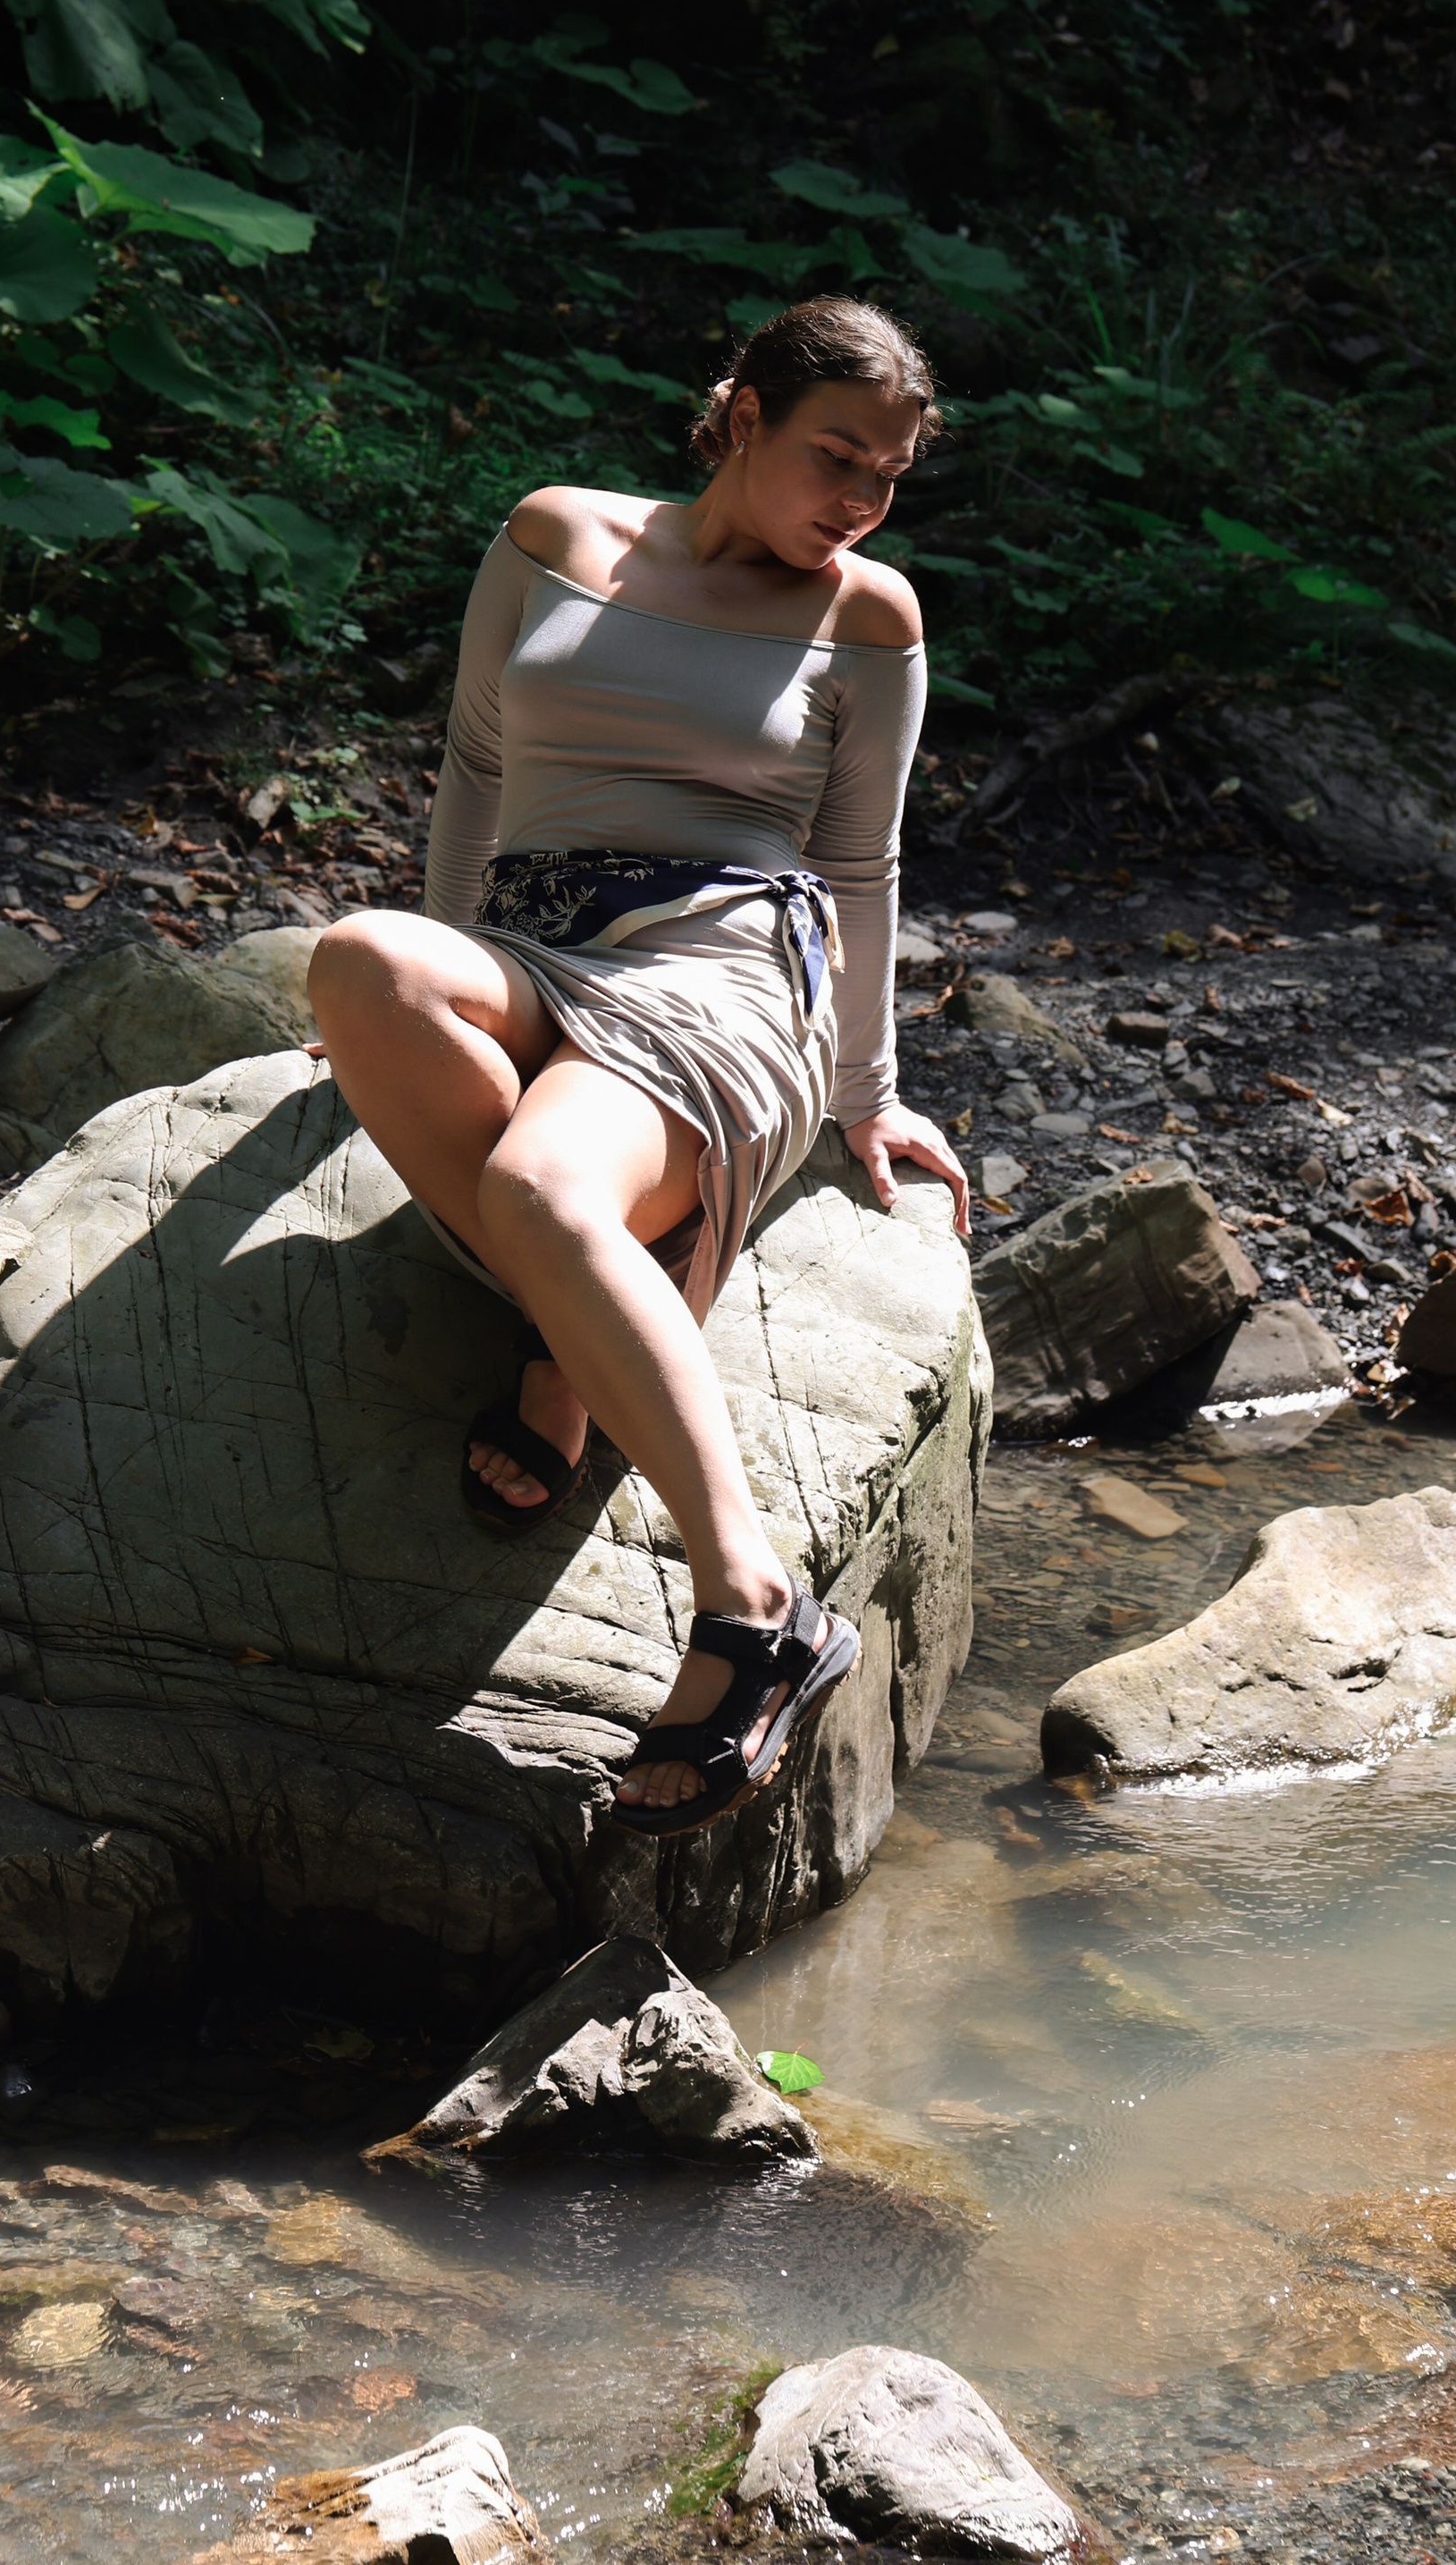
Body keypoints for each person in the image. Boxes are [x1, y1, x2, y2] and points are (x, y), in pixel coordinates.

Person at [308, 295, 969, 1840]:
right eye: (835, 456)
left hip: (723, 969)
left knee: (541, 1183)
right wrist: (464, 986)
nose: (860, 502)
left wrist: (865, 1094)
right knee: (360, 962)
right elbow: (479, 768)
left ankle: (753, 1608)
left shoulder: (869, 617)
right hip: (537, 944)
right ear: (740, 415)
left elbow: (860, 866)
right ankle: (606, 1298)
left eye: (890, 475)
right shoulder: (553, 536)